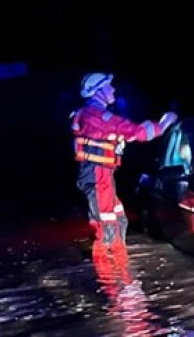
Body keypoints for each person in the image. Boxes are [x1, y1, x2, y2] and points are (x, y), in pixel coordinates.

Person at [70, 72, 177, 254]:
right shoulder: (96, 116)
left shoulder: (91, 116)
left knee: (117, 219)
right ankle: (110, 275)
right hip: (97, 173)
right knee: (107, 225)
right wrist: (164, 123)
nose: (113, 89)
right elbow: (136, 132)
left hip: (102, 174)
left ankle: (119, 268)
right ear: (97, 92)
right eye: (107, 86)